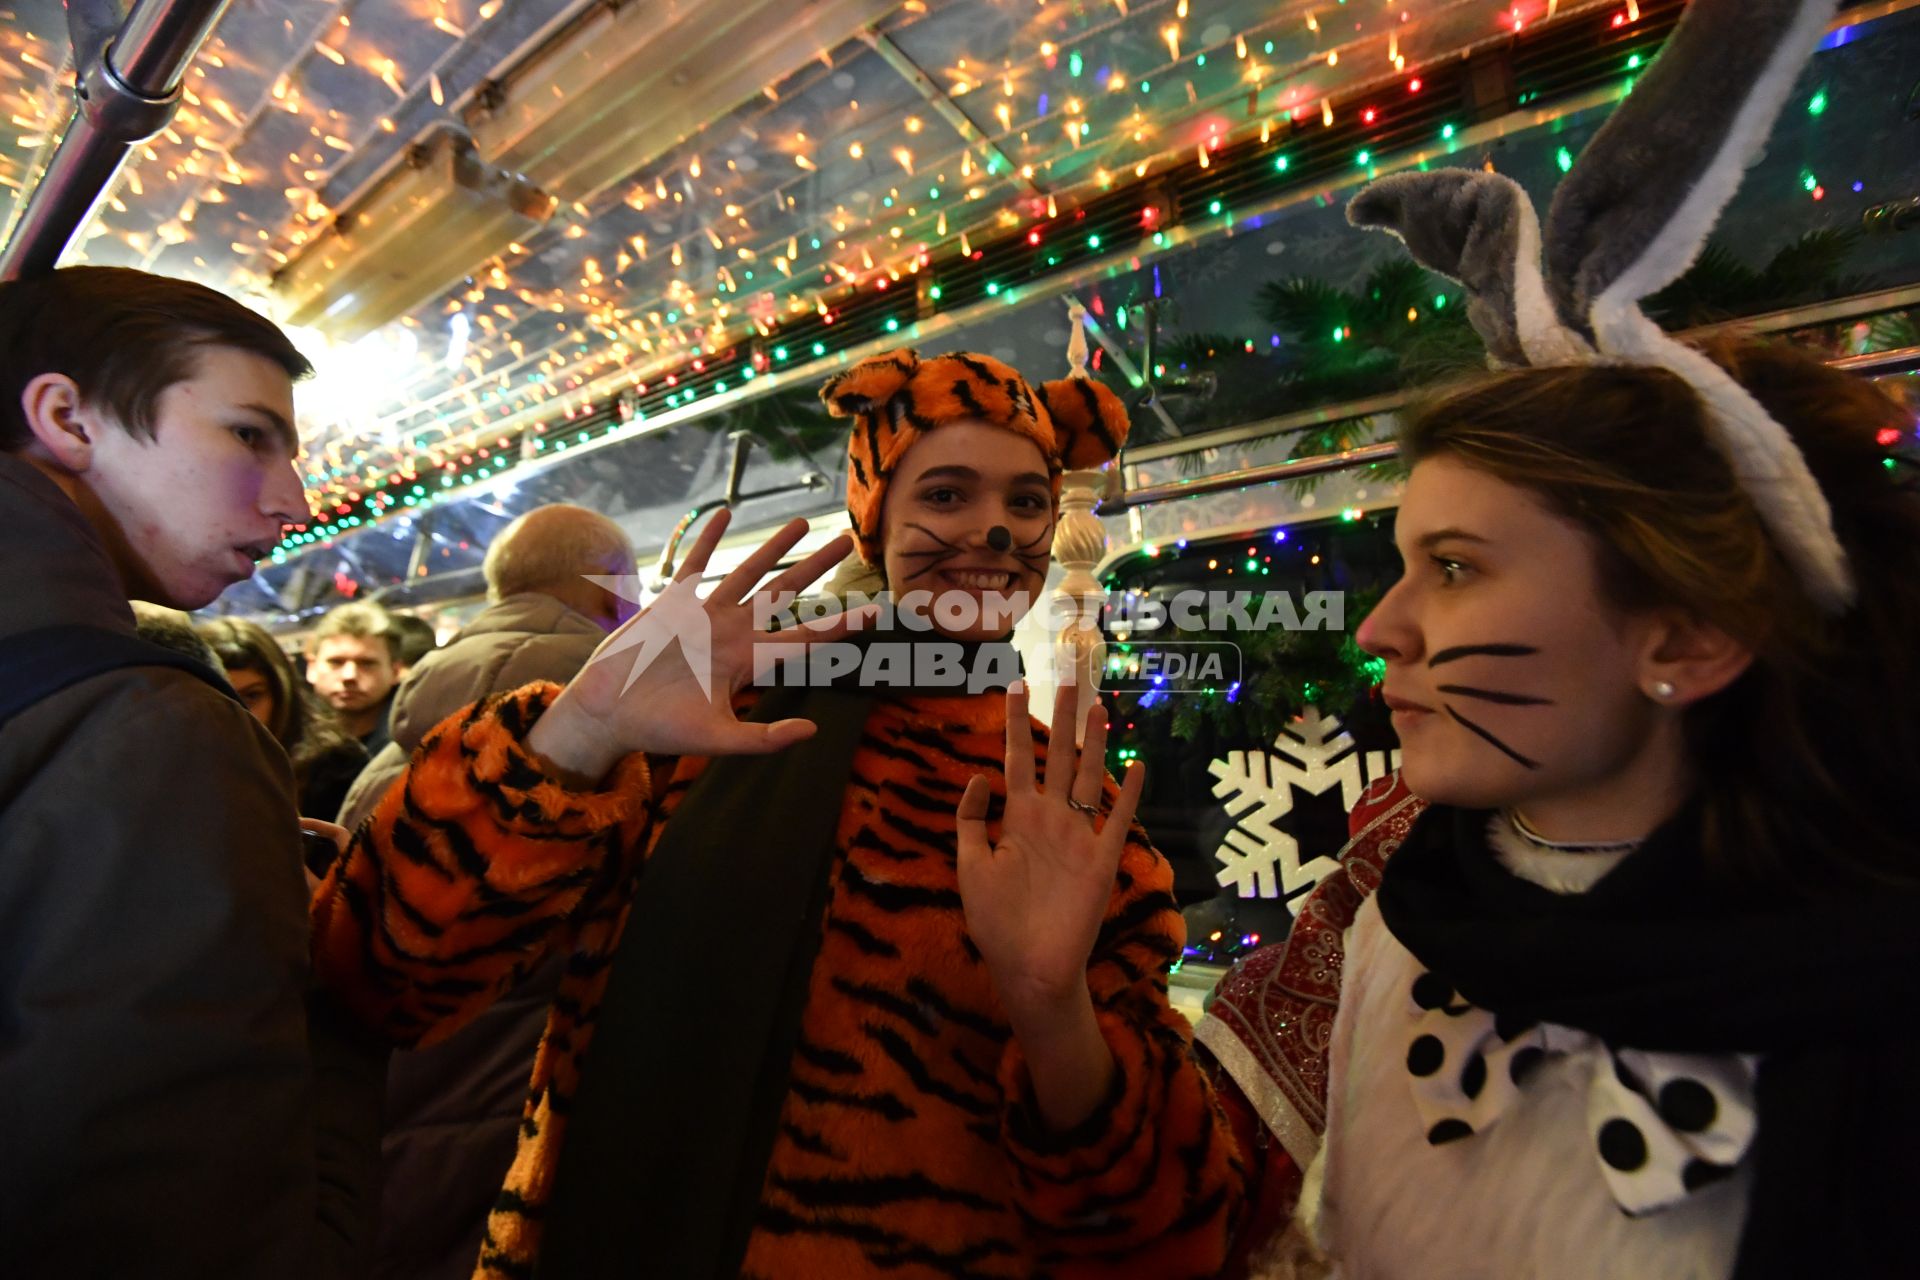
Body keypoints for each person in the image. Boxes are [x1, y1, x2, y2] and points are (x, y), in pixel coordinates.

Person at [1200, 4, 1917, 1276]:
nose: (1382, 626)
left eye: (1458, 567)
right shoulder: (1392, 911)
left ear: (1688, 638)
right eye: (1405, 561)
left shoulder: (1871, 1006)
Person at [312, 349, 1245, 1279]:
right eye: (949, 496)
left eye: (1027, 502)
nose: (995, 531)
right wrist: (583, 723)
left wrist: (1054, 1015)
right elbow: (379, 977)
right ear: (876, 520)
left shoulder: (1055, 792)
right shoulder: (703, 722)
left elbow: (1162, 1235)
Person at [0, 264, 378, 1276]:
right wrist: (339, 991)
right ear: (66, 416)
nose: (293, 500)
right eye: (249, 435)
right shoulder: (156, 729)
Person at [336, 502, 639, 1280]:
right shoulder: (627, 731)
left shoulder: (393, 749)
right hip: (542, 1117)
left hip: (392, 1104)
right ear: (610, 587)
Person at [199, 616, 369, 834]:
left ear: (280, 693)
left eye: (252, 695)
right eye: (220, 696)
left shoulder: (334, 764)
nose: (239, 711)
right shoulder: (180, 761)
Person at [306, 600, 405, 753]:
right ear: (311, 668)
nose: (349, 676)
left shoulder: (414, 743)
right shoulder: (288, 740)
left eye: (366, 663)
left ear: (395, 672)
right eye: (336, 662)